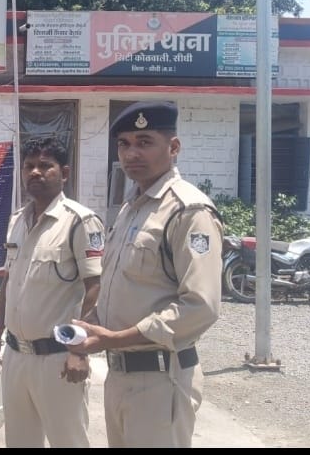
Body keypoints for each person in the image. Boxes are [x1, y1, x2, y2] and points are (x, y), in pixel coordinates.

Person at [65, 101, 223, 448]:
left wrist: (114, 339)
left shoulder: (188, 211)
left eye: (144, 142)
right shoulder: (130, 209)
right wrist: (88, 330)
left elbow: (201, 306)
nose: (132, 153)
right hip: (120, 375)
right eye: (124, 144)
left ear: (174, 147)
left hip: (161, 379)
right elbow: (120, 289)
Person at [0, 136, 104, 448]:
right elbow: (9, 281)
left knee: (68, 441)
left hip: (58, 359)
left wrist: (79, 350)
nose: (35, 172)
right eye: (29, 166)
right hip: (16, 356)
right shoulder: (17, 221)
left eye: (45, 165)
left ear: (64, 173)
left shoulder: (80, 221)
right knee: (20, 442)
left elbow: (95, 288)